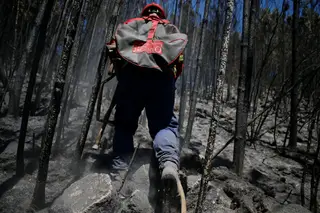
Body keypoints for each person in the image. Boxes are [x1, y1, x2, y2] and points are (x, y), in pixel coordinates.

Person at [107, 2, 187, 185]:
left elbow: (114, 47)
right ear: (161, 14)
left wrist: (123, 74)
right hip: (162, 77)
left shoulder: (132, 23)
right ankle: (168, 164)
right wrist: (168, 82)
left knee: (124, 125)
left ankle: (120, 172)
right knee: (164, 125)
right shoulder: (170, 29)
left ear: (145, 12)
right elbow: (179, 60)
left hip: (131, 76)